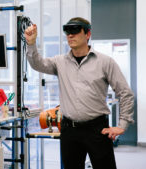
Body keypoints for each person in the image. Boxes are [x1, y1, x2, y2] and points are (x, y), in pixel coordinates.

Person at [25, 17, 134, 169]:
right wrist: (31, 43)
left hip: (97, 129)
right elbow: (37, 64)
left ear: (87, 34)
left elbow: (125, 93)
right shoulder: (60, 62)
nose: (70, 35)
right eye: (68, 31)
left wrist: (122, 125)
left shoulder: (105, 62)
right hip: (69, 130)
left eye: (75, 30)